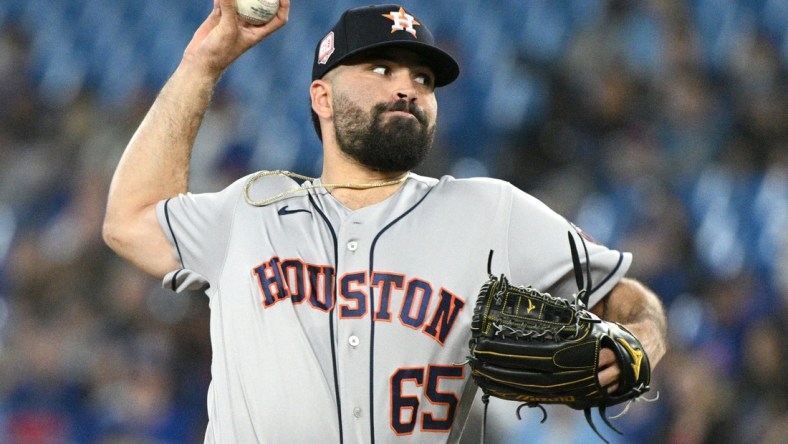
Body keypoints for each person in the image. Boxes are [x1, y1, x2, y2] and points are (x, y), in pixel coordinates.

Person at [103, 1, 667, 442]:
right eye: (381, 67)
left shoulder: (489, 211)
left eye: (424, 79)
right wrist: (203, 65)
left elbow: (628, 296)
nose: (408, 87)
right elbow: (128, 220)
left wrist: (636, 343)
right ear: (321, 97)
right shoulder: (249, 211)